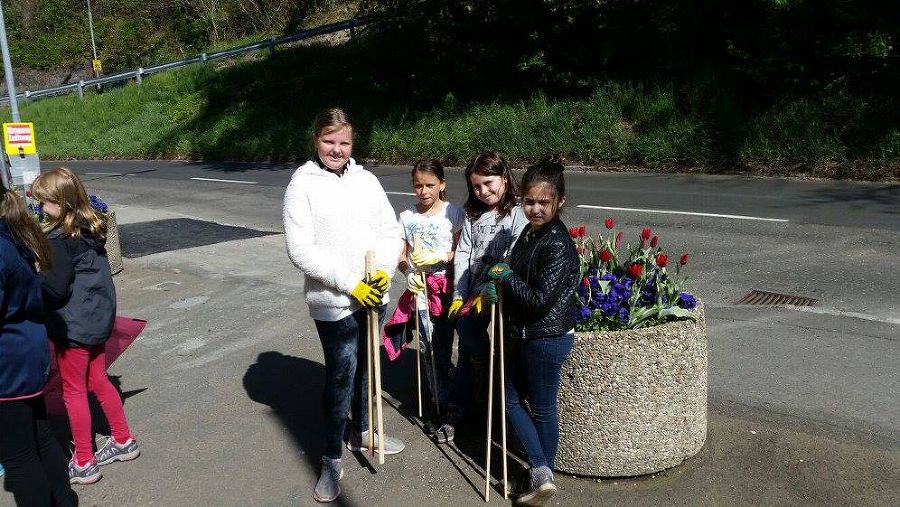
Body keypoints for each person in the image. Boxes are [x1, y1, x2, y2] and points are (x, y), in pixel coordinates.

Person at [283, 108, 405, 503]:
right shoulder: (302, 184)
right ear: (315, 139)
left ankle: (363, 432)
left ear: (353, 143)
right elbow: (300, 249)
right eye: (328, 141)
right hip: (334, 301)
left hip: (374, 293)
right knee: (341, 375)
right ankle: (331, 458)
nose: (336, 149)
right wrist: (349, 283)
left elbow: (390, 231)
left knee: (369, 369)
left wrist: (385, 271)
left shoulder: (366, 180)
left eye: (344, 142)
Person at [31, 167, 140, 486]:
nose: (40, 208)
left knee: (74, 391)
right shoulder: (89, 227)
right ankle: (122, 439)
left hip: (73, 326)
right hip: (96, 320)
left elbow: (54, 289)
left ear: (61, 202)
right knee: (98, 380)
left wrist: (31, 279)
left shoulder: (59, 240)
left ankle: (83, 462)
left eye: (44, 202)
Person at [484, 158, 579, 506]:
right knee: (511, 399)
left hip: (547, 336)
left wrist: (505, 278)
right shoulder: (529, 232)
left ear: (560, 201)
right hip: (524, 332)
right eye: (529, 201)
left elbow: (539, 299)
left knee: (540, 408)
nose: (535, 208)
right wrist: (504, 275)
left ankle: (540, 470)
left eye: (543, 202)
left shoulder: (557, 242)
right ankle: (541, 475)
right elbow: (519, 271)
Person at [0, 182, 77, 505]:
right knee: (40, 437)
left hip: (7, 363)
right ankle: (64, 500)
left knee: (19, 456)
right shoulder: (12, 231)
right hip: (27, 351)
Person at [384, 159, 464, 442]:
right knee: (429, 347)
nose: (424, 191)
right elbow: (401, 255)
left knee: (444, 344)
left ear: (442, 184)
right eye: (418, 185)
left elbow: (460, 251)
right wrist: (407, 273)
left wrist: (442, 257)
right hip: (420, 290)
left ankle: (453, 401)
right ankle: (438, 404)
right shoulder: (407, 217)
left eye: (430, 185)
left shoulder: (454, 213)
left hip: (447, 287)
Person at [447, 151, 526, 434]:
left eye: (489, 183)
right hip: (476, 290)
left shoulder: (518, 211)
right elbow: (463, 254)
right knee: (466, 331)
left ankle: (492, 404)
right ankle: (472, 388)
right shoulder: (472, 214)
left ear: (504, 178)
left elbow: (516, 249)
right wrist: (459, 293)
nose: (483, 191)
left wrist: (500, 280)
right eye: (476, 186)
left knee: (502, 349)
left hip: (503, 292)